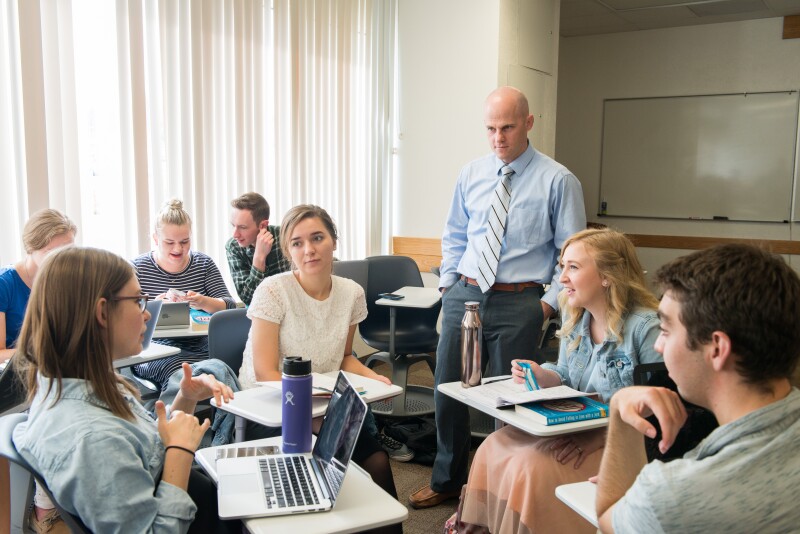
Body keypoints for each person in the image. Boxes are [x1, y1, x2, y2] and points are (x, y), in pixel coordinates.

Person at [410, 86, 587, 509]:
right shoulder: (471, 173)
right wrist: (448, 285)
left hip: (519, 301)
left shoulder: (558, 180)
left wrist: (545, 305)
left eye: (507, 127)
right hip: (465, 294)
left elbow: (573, 255)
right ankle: (448, 478)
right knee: (448, 389)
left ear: (528, 123)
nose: (498, 138)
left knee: (508, 399)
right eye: (490, 128)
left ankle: (498, 490)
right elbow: (454, 234)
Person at [447, 228, 661, 534]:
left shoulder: (646, 329)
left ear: (607, 275)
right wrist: (544, 374)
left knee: (531, 467)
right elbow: (567, 374)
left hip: (622, 444)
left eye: (573, 267)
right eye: (563, 267)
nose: (561, 278)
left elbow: (662, 409)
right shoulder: (578, 317)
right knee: (492, 447)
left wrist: (599, 439)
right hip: (577, 427)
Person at [11, 246, 237, 533]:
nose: (147, 314)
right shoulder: (92, 438)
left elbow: (144, 451)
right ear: (103, 312)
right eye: (138, 301)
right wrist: (180, 450)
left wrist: (186, 398)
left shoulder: (80, 385)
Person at [596, 244, 800, 533]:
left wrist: (619, 409)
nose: (658, 345)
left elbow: (608, 518)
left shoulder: (672, 497)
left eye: (666, 331)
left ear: (717, 348)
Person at [239, 204, 402, 534]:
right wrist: (314, 409)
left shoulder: (351, 293)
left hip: (324, 403)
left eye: (317, 238)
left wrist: (375, 378)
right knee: (310, 472)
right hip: (271, 405)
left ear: (334, 241)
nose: (309, 249)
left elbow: (344, 357)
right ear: (288, 251)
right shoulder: (272, 291)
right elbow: (264, 372)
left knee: (377, 461)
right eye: (297, 243)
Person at [132, 199, 236, 390]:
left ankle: (227, 417)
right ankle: (176, 416)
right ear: (155, 239)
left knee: (227, 364)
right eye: (169, 242)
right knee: (180, 370)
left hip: (203, 345)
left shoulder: (203, 264)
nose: (178, 249)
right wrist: (153, 306)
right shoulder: (138, 268)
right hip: (157, 349)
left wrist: (204, 302)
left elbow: (230, 306)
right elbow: (125, 317)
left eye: (185, 241)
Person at [1, 209, 77, 363]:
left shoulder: (67, 281)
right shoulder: (5, 284)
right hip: (14, 374)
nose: (63, 259)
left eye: (69, 251)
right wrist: (45, 354)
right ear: (31, 248)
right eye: (53, 252)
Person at [226, 192, 290, 305]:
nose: (235, 234)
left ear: (262, 226)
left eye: (242, 227)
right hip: (258, 312)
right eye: (233, 225)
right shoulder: (233, 247)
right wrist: (259, 258)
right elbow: (248, 298)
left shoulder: (285, 237)